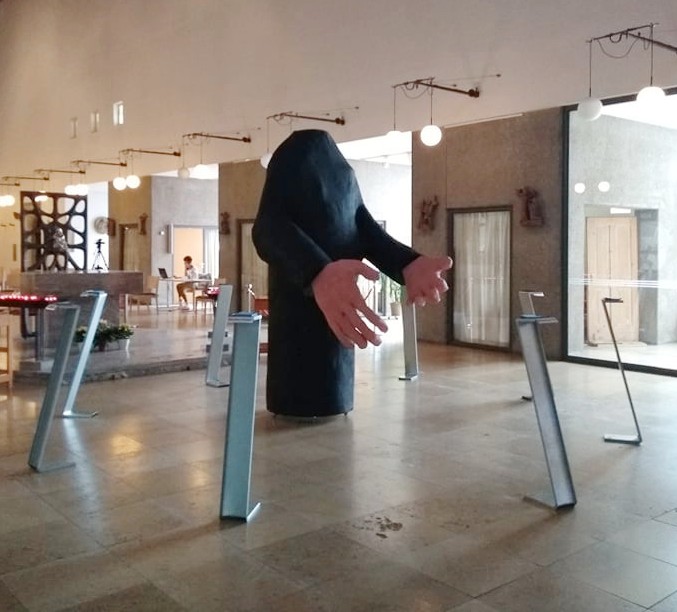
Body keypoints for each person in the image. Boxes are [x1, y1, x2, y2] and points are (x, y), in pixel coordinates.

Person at [253, 129, 452, 418]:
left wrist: (407, 263)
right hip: (296, 322)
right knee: (304, 367)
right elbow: (268, 228)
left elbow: (363, 228)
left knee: (334, 348)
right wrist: (317, 270)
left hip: (336, 321)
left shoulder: (342, 176)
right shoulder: (309, 166)